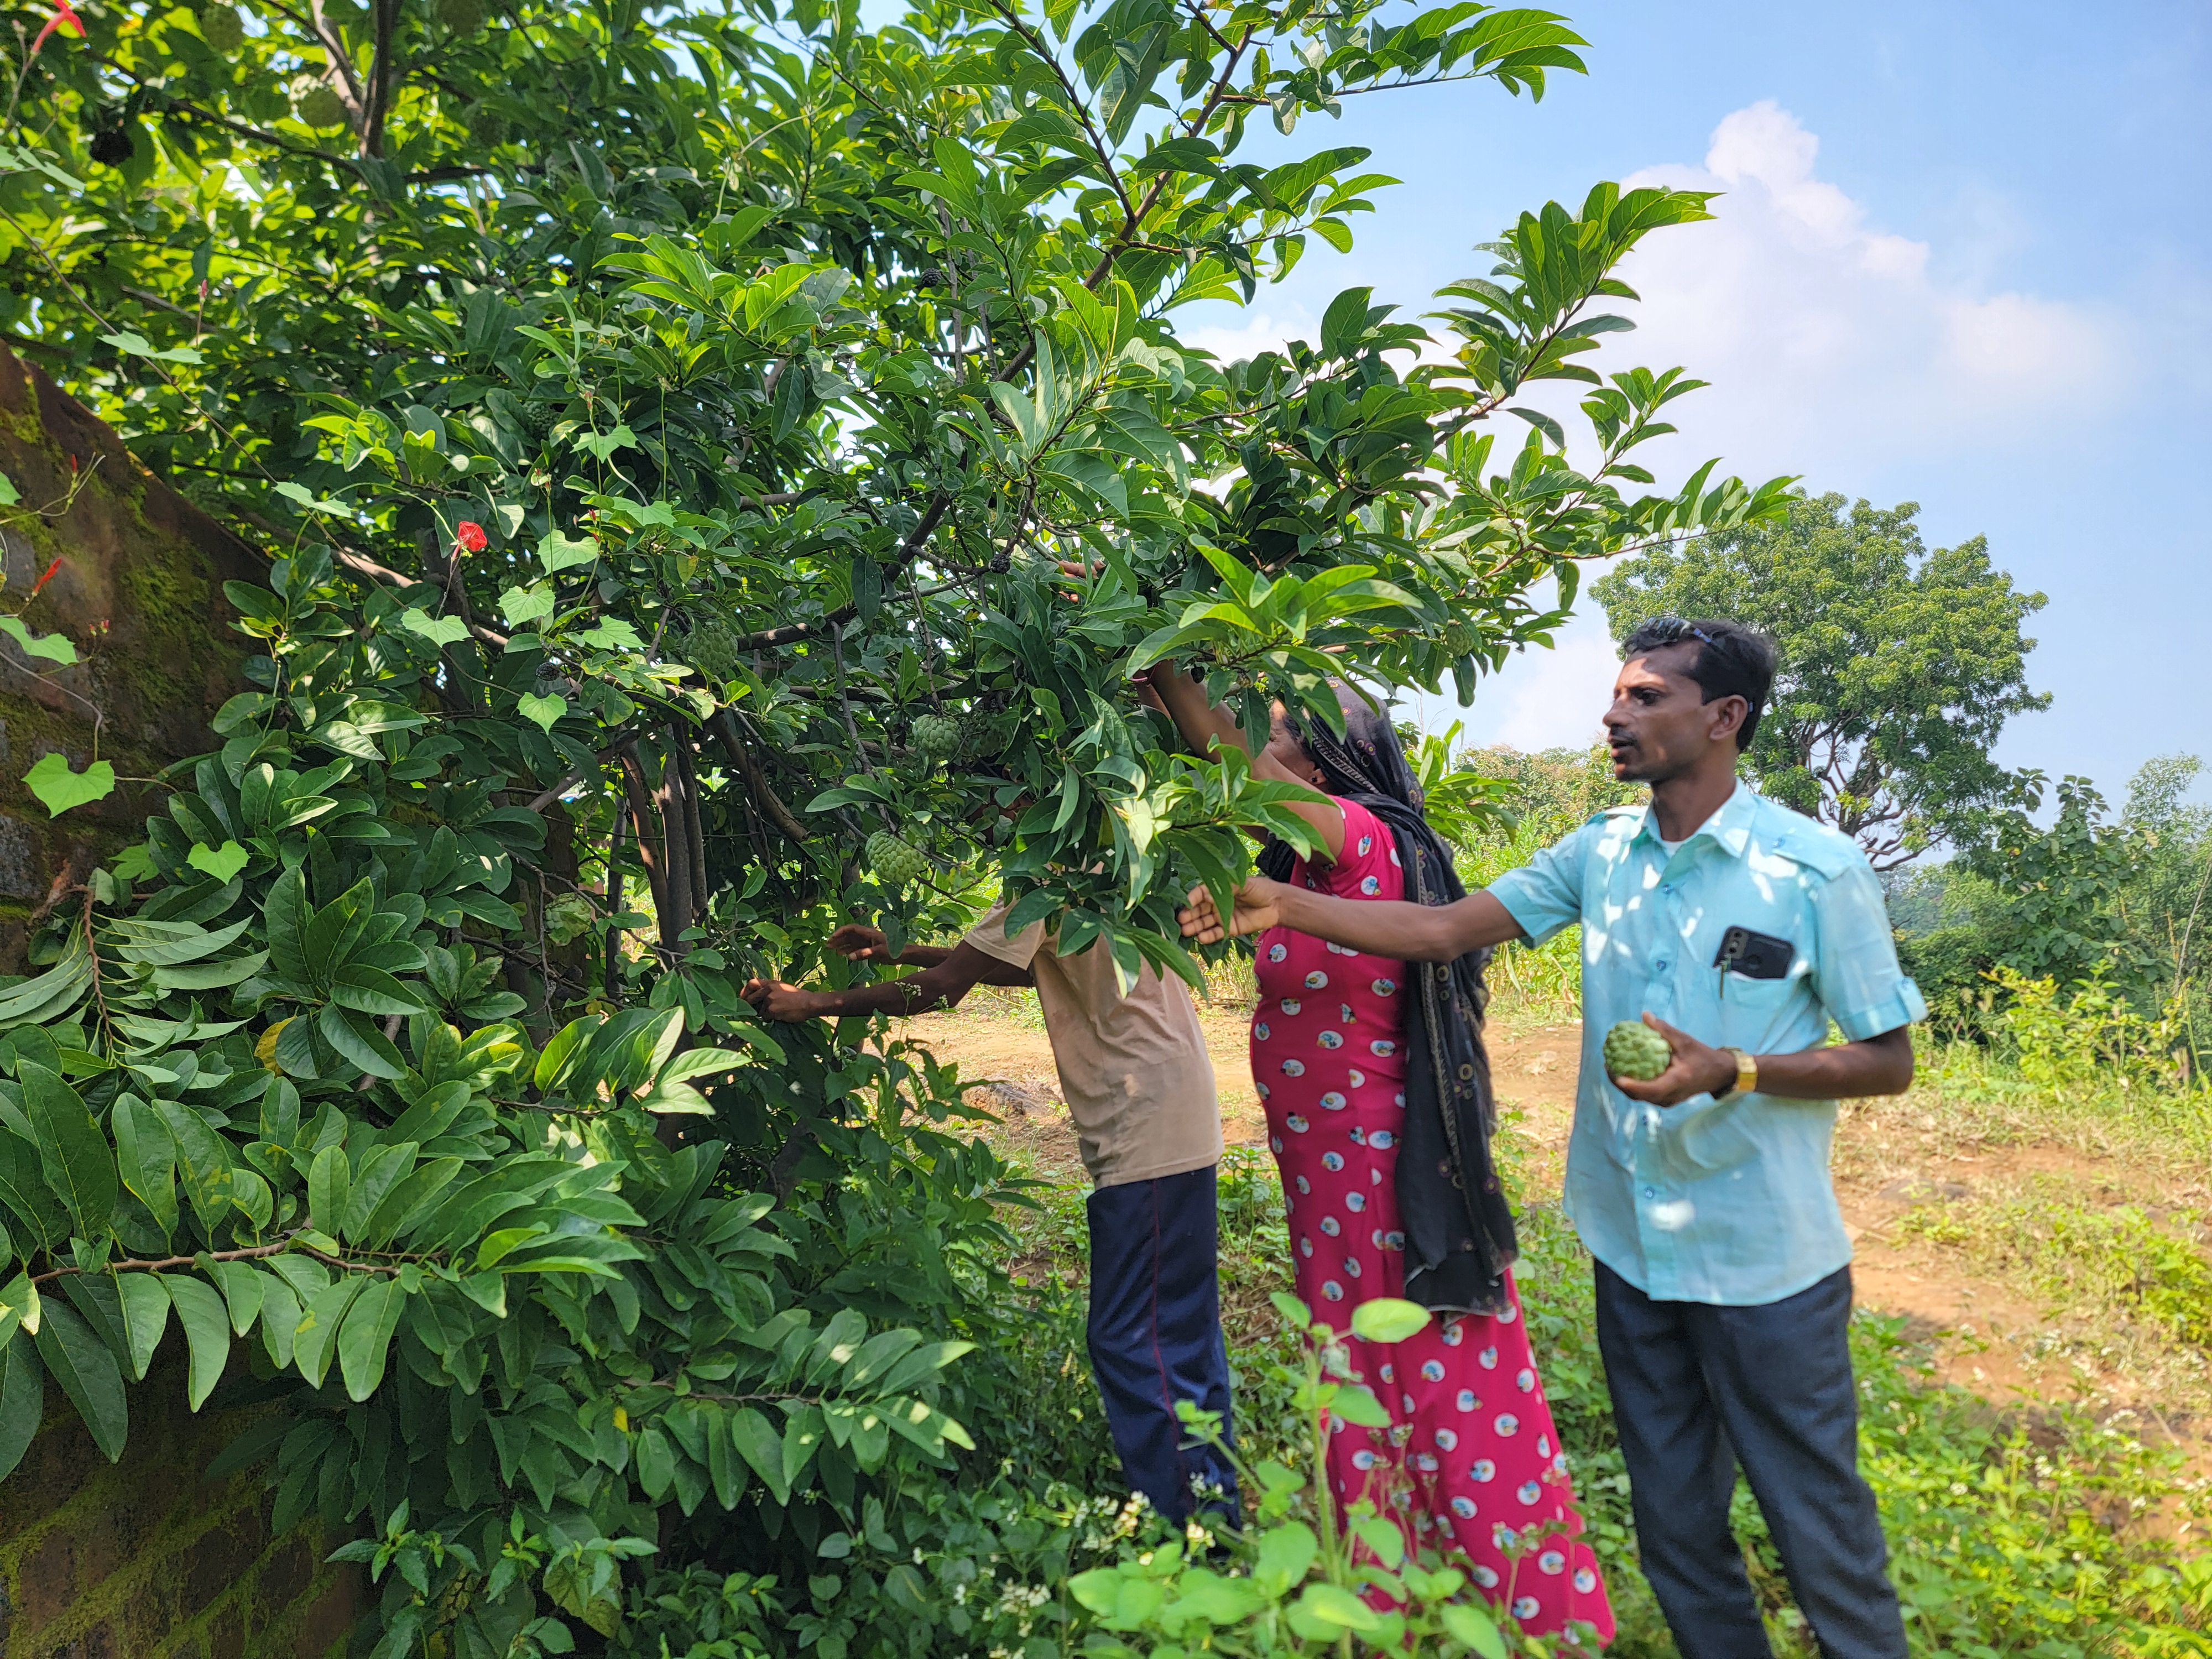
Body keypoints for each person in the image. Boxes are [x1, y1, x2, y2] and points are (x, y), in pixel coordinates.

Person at [1178, 617, 1922, 1659]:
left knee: (1818, 1529)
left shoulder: (1813, 869)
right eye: (1616, 694)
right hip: (1630, 1243)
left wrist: (1735, 1068)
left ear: (1725, 717)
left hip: (1765, 1261)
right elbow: (1444, 930)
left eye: (1647, 697)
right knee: (1677, 1530)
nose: (1616, 715)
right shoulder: (1601, 853)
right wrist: (1286, 901)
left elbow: (1888, 1059)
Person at [1146, 666, 1613, 1641]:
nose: (1252, 741)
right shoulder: (1307, 874)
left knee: (1443, 1367)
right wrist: (1145, 673)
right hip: (1327, 1181)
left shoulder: (1365, 841)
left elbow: (1230, 760)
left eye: (1274, 733)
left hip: (1380, 1167)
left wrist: (1165, 663)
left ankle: (1543, 1615)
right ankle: (1390, 1600)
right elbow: (1222, 761)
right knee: (1357, 1371)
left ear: (1321, 762)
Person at [740, 892, 1240, 1527]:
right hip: (1176, 1107)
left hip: (1145, 1130)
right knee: (1179, 1334)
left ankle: (1193, 1534)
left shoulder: (1049, 874)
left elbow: (947, 988)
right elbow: (1031, 965)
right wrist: (902, 951)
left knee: (1135, 1340)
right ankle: (1214, 1511)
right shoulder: (1097, 859)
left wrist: (814, 1003)